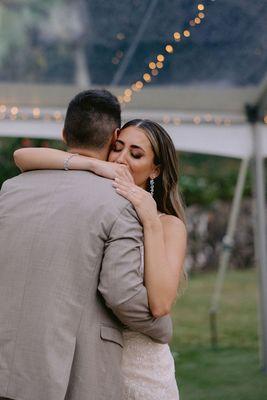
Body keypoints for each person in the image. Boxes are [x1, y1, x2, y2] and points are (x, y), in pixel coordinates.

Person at [0, 90, 173, 400]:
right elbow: (122, 293)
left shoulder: (10, 190)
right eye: (120, 147)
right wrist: (163, 331)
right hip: (72, 366)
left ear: (64, 133)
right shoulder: (118, 203)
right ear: (114, 135)